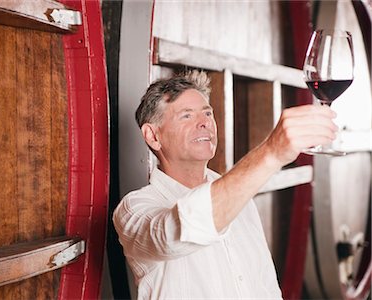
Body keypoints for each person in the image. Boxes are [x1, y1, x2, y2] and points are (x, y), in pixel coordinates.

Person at [113, 71, 338, 299]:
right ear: (153, 136)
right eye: (186, 116)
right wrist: (270, 152)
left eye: (207, 113)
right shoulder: (134, 209)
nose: (204, 123)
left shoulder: (240, 196)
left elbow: (265, 283)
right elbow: (172, 233)